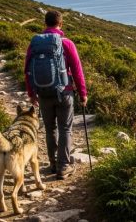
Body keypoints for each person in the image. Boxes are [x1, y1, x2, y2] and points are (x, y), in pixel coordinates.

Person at [25, 10, 87, 180]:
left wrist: (31, 93)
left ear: (45, 23)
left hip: (43, 93)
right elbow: (77, 71)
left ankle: (53, 164)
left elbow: (27, 70)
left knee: (50, 129)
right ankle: (64, 166)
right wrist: (83, 93)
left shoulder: (35, 44)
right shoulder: (67, 43)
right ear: (61, 24)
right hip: (64, 92)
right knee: (65, 128)